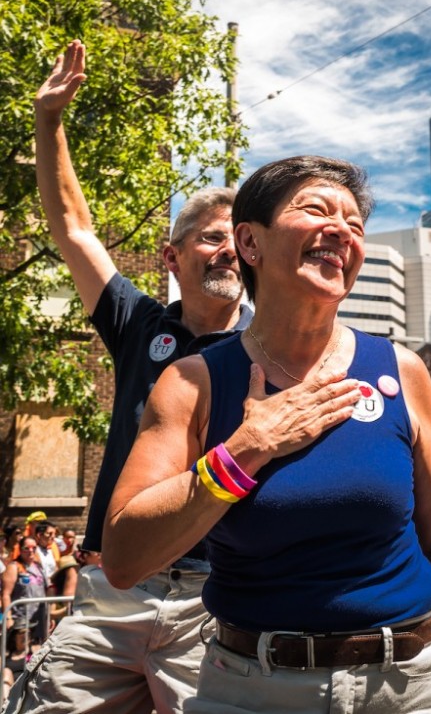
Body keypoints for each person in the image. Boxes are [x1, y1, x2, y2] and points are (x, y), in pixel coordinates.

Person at [104, 155, 431, 714]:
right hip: (249, 689)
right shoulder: (192, 382)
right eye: (316, 209)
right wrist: (244, 451)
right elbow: (123, 557)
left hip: (409, 689)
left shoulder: (402, 370)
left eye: (355, 224)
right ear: (250, 244)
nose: (342, 230)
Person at [4, 39, 252, 714]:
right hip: (112, 594)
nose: (227, 247)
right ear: (171, 257)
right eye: (209, 235)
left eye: (239, 239)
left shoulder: (267, 355)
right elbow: (76, 230)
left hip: (216, 605)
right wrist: (49, 121)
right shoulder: (142, 327)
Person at [1, 537, 48, 644]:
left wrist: (49, 615)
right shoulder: (14, 567)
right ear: (21, 549)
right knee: (20, 654)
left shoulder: (38, 566)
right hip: (21, 619)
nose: (31, 551)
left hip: (39, 617)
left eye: (34, 548)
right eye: (27, 548)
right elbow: (5, 594)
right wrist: (8, 618)